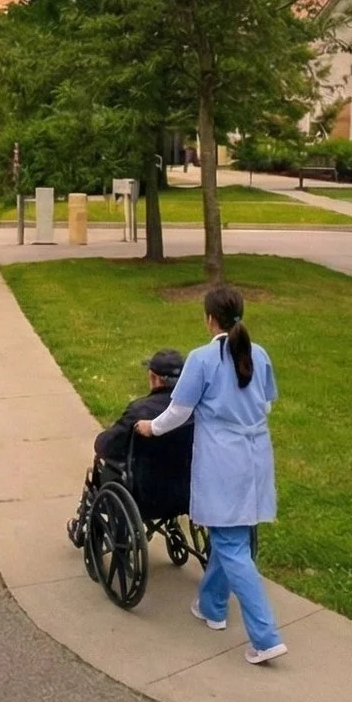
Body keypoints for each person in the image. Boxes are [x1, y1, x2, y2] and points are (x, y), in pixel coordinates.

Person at [137, 284, 285, 664]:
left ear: (209, 319)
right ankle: (212, 605)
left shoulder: (202, 360)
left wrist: (150, 428)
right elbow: (266, 404)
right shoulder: (260, 354)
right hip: (255, 455)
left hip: (224, 458)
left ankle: (265, 636)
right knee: (229, 533)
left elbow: (178, 411)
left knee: (233, 545)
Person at [94, 349, 189, 464]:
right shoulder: (197, 408)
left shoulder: (140, 410)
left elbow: (105, 446)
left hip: (146, 477)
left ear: (154, 378)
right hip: (190, 476)